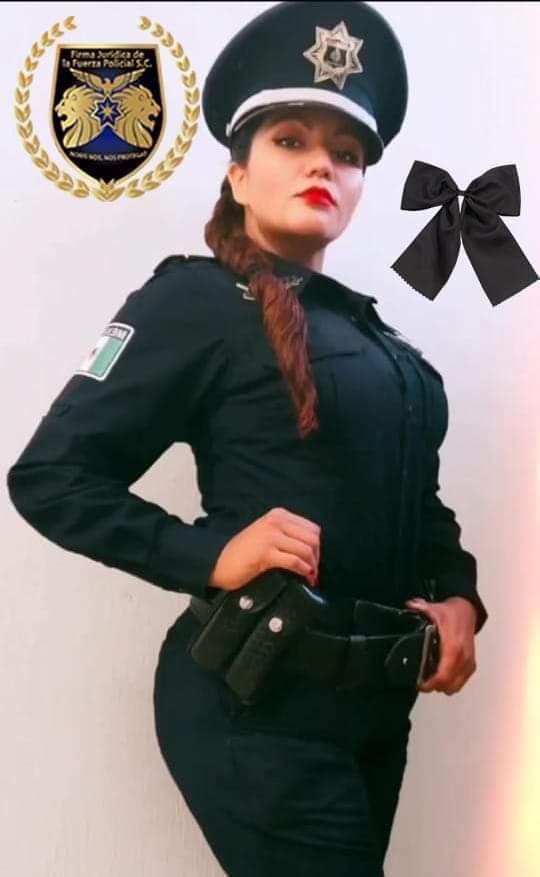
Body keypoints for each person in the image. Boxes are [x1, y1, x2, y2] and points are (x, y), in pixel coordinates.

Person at [6, 2, 489, 875]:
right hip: (255, 703)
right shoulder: (194, 302)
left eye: (347, 154)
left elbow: (417, 504)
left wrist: (460, 597)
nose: (323, 165)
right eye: (291, 141)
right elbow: (51, 476)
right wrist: (209, 554)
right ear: (238, 175)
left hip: (375, 712)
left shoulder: (384, 344)